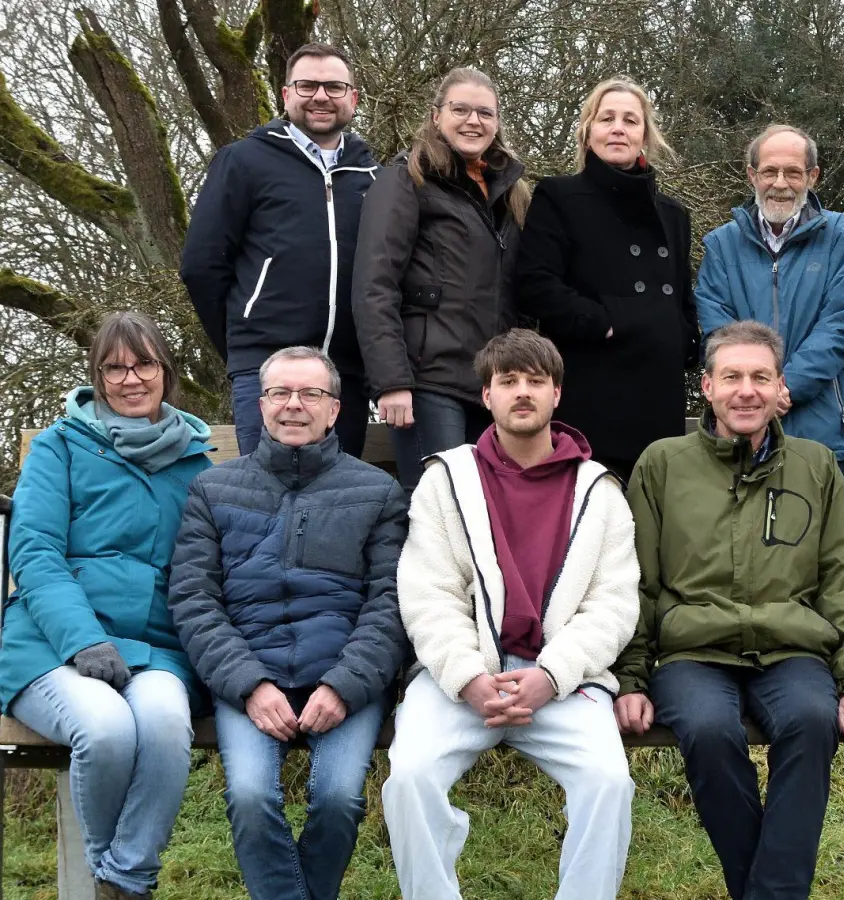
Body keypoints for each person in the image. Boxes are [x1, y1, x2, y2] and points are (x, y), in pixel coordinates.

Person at [613, 320, 844, 900]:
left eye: (760, 377)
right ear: (705, 387)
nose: (745, 390)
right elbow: (633, 580)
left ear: (780, 387)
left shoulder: (814, 466)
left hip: (791, 649)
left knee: (812, 720)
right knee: (708, 729)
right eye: (731, 376)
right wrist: (631, 677)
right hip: (692, 650)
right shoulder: (662, 464)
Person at [382, 329, 639, 900]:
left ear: (556, 395)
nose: (522, 392)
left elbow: (615, 603)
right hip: (463, 676)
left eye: (535, 381)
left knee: (609, 783)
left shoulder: (599, 491)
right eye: (508, 382)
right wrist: (468, 676)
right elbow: (428, 593)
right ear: (486, 396)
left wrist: (552, 676)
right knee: (410, 778)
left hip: (561, 680)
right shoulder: (446, 479)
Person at [166, 345, 407, 900]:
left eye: (309, 394)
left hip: (346, 677)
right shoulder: (214, 489)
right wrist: (249, 686)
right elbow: (195, 598)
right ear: (261, 403)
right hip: (247, 677)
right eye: (279, 393)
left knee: (339, 797)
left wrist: (344, 686)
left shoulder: (377, 491)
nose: (292, 405)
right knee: (250, 797)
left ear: (334, 409)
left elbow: (389, 603)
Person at [2, 312, 214, 900]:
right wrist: (81, 638)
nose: (129, 379)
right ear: (96, 376)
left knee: (168, 724)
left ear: (165, 372)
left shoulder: (194, 463)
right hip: (53, 643)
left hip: (156, 645)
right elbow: (35, 553)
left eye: (143, 363)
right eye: (113, 367)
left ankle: (119, 880)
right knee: (106, 729)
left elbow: (203, 570)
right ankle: (120, 879)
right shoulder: (59, 448)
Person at [180, 42, 378, 458]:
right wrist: (245, 342)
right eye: (307, 85)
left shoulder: (374, 176)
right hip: (267, 368)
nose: (321, 96)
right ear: (286, 94)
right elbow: (202, 265)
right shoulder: (243, 161)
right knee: (267, 503)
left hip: (346, 374)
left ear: (353, 98)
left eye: (334, 87)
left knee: (339, 507)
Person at [353, 67, 530, 492]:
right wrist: (391, 381)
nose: (474, 121)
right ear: (436, 116)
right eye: (461, 109)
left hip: (492, 383)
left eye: (485, 113)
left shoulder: (511, 193)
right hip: (426, 382)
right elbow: (374, 284)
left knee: (487, 513)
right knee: (441, 513)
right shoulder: (404, 180)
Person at [515, 76, 699, 478]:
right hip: (593, 387)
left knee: (654, 519)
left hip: (659, 390)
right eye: (607, 118)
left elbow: (683, 296)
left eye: (631, 120)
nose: (618, 128)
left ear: (645, 136)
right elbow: (534, 283)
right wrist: (605, 322)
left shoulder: (674, 214)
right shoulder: (559, 197)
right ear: (588, 131)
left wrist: (682, 337)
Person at [695, 124, 844, 478]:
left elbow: (843, 323)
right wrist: (760, 386)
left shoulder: (841, 236)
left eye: (793, 172)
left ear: (812, 176)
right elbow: (717, 329)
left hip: (823, 430)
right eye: (769, 171)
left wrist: (785, 386)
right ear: (752, 176)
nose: (780, 183)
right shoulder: (721, 245)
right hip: (741, 428)